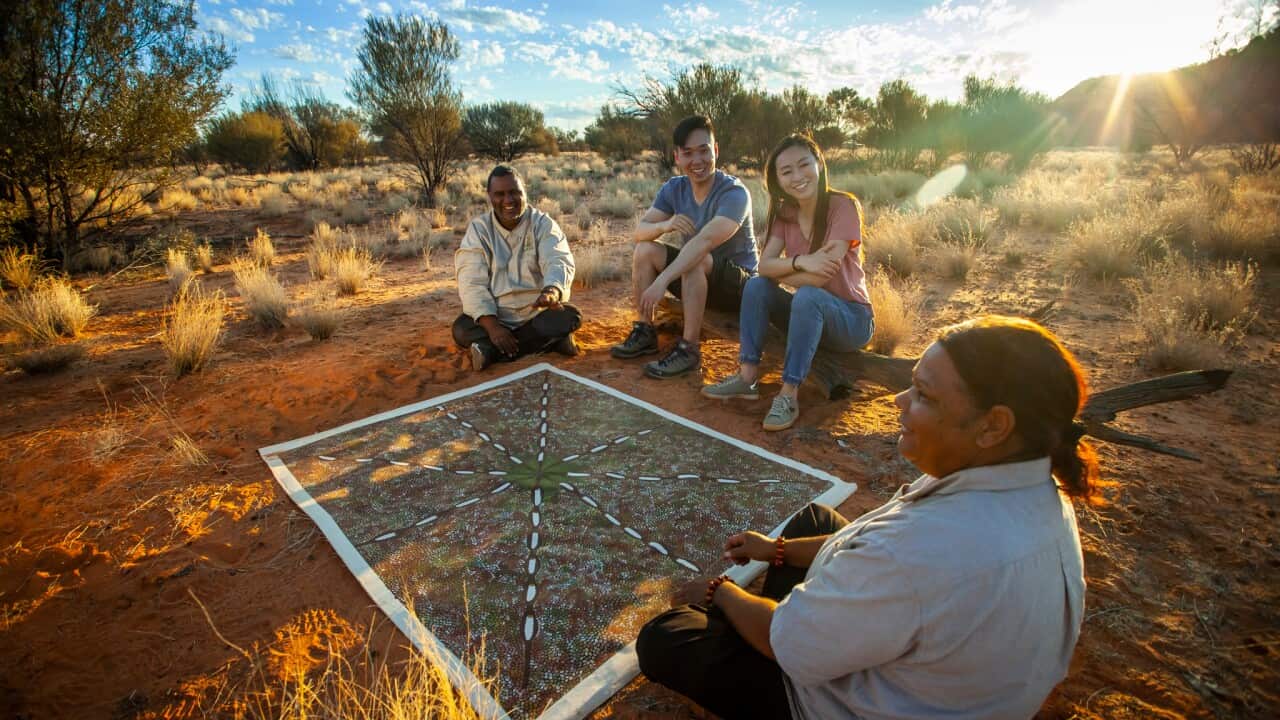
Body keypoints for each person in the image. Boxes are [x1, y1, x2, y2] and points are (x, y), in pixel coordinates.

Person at [637, 315, 1095, 720]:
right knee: (815, 520)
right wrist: (776, 550)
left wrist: (720, 593)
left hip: (845, 704)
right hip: (956, 685)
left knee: (665, 637)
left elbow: (787, 643)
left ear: (993, 426)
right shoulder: (1037, 488)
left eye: (923, 395)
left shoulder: (916, 550)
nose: (899, 401)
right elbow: (878, 550)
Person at [702, 134, 873, 431]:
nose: (798, 176)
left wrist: (780, 270)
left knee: (807, 295)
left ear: (819, 164)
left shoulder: (843, 206)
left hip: (851, 320)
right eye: (786, 171)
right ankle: (747, 377)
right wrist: (800, 261)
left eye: (804, 165)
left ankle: (789, 394)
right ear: (778, 180)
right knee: (757, 286)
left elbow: (820, 276)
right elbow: (763, 267)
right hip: (809, 312)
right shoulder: (785, 214)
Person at [610, 115, 758, 379]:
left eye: (704, 151)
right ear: (677, 157)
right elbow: (640, 232)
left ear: (716, 150)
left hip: (740, 288)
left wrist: (662, 280)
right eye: (688, 153)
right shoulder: (674, 188)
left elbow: (704, 242)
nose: (697, 161)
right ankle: (645, 331)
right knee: (645, 250)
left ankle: (689, 350)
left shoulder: (734, 193)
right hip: (697, 278)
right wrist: (665, 225)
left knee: (695, 258)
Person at [453, 165, 579, 371]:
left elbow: (558, 259)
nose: (508, 200)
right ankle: (551, 342)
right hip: (496, 315)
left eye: (514, 192)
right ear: (489, 196)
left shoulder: (542, 224)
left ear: (524, 192)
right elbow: (471, 282)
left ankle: (491, 352)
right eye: (500, 194)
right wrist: (493, 327)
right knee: (461, 329)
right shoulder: (479, 230)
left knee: (569, 316)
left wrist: (552, 291)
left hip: (536, 313)